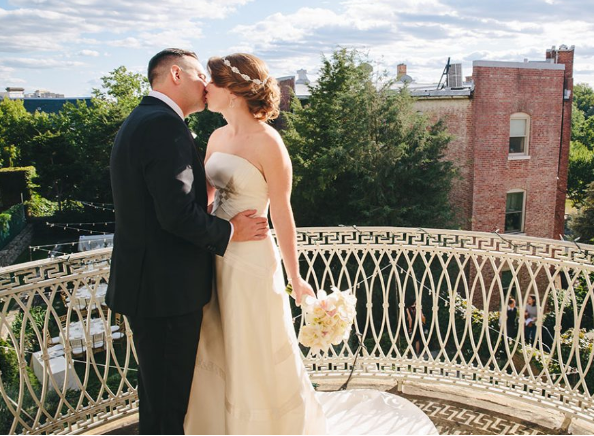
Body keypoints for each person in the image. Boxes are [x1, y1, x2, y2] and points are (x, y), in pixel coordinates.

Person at [183, 53, 437, 435]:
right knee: (219, 341)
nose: (205, 89)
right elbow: (202, 200)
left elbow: (282, 214)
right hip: (217, 253)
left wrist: (295, 277)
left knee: (252, 343)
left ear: (233, 91)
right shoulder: (216, 136)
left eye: (213, 83)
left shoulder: (269, 143)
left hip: (251, 258)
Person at [106, 48, 269, 435]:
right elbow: (175, 216)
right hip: (165, 290)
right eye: (201, 76)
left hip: (151, 284)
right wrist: (232, 231)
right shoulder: (163, 125)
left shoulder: (145, 119)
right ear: (176, 75)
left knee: (159, 398)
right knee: (167, 408)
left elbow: (163, 201)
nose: (207, 84)